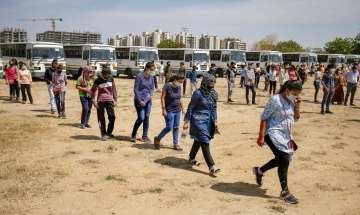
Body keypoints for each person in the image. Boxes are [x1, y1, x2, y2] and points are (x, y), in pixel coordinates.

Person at [253, 80, 303, 204]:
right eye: (294, 93)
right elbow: (264, 117)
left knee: (283, 159)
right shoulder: (275, 100)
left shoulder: (292, 101)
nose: (296, 96)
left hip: (286, 135)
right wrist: (261, 136)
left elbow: (296, 118)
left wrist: (297, 106)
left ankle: (259, 171)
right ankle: (285, 192)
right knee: (285, 159)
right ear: (287, 90)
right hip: (272, 133)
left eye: (298, 94)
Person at [183, 74, 220, 176]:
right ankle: (212, 166)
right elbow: (190, 107)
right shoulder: (197, 93)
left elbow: (214, 108)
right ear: (205, 82)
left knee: (198, 140)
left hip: (208, 121)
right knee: (204, 140)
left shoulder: (213, 94)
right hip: (197, 120)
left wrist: (215, 120)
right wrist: (186, 121)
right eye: (210, 83)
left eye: (213, 83)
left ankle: (191, 158)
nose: (212, 85)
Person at [154, 75, 185, 150]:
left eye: (181, 82)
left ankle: (175, 144)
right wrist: (163, 109)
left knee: (176, 127)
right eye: (180, 82)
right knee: (169, 127)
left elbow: (179, 98)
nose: (180, 84)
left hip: (177, 110)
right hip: (169, 110)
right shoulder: (167, 86)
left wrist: (183, 109)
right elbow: (162, 97)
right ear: (175, 80)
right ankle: (157, 138)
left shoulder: (179, 87)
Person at [131, 62, 155, 143]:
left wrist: (149, 97)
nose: (152, 71)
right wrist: (140, 100)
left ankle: (144, 136)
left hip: (148, 100)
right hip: (139, 100)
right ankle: (133, 135)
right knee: (141, 117)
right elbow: (136, 89)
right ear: (146, 69)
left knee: (147, 117)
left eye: (153, 70)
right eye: (151, 70)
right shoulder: (139, 76)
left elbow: (152, 89)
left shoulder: (151, 77)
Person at [92, 67, 117, 141]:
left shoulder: (111, 78)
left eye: (109, 75)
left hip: (109, 100)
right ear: (103, 74)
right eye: (107, 75)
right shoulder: (97, 80)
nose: (108, 77)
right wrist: (94, 101)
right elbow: (93, 91)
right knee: (101, 118)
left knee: (112, 117)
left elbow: (114, 89)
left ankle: (108, 133)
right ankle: (103, 134)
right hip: (100, 101)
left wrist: (115, 100)